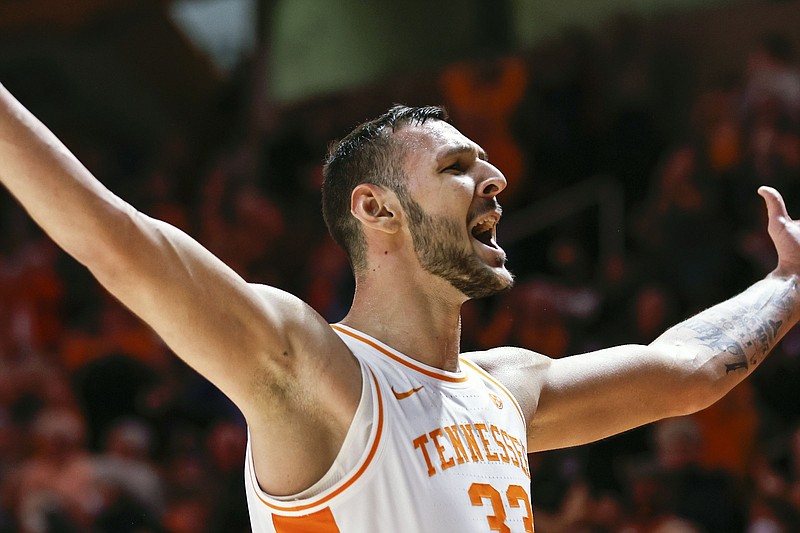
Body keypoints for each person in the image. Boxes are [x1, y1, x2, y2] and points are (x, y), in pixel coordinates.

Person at [0, 87, 798, 533]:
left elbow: (689, 369)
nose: (495, 181)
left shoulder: (507, 390)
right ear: (376, 210)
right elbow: (115, 237)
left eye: (486, 164)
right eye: (458, 166)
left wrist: (790, 283)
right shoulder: (311, 369)